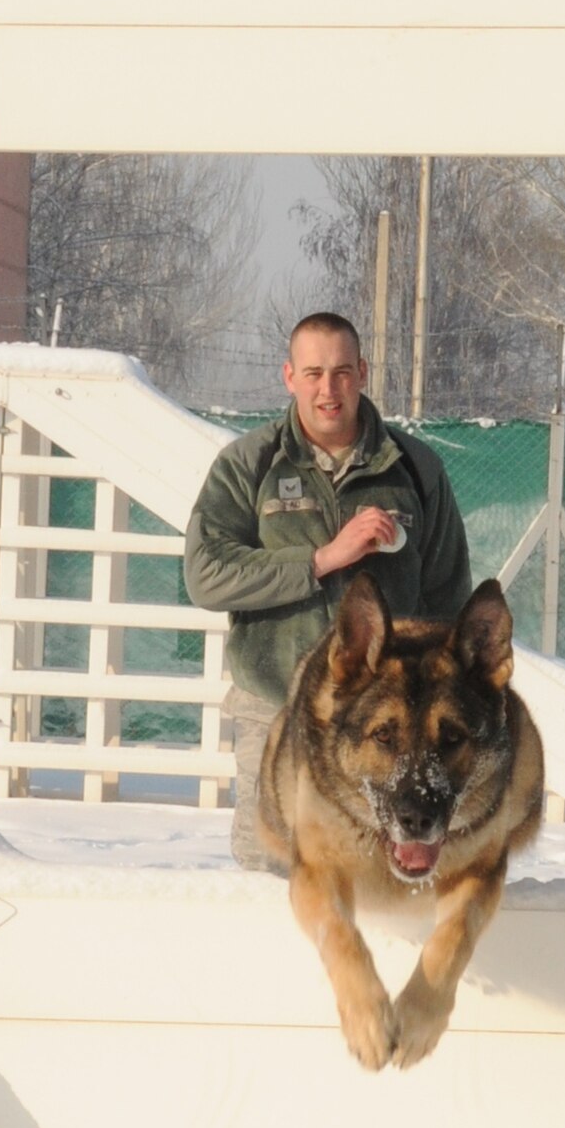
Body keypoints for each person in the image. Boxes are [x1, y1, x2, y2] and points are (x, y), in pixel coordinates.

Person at [184, 311, 473, 868]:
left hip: (388, 729)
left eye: (341, 372)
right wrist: (320, 559)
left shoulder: (415, 470)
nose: (328, 389)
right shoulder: (249, 466)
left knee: (380, 872)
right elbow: (206, 574)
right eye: (313, 373)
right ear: (289, 376)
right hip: (276, 706)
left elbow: (448, 601)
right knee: (272, 869)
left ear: (362, 372)